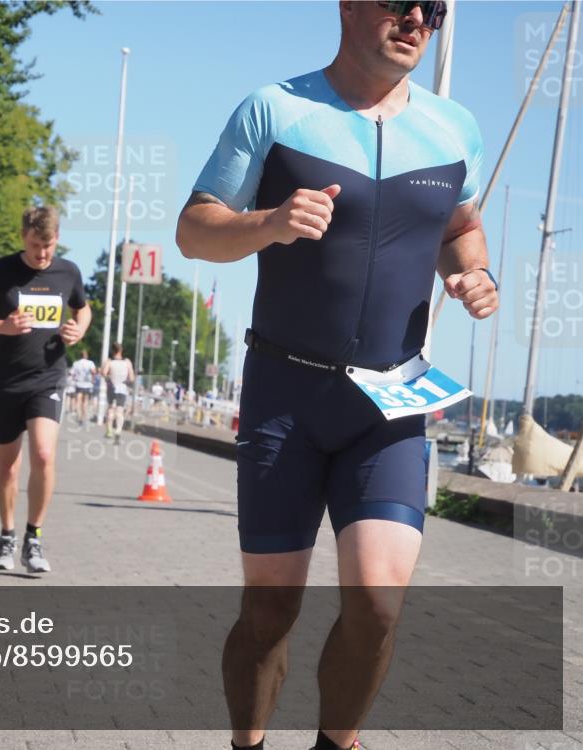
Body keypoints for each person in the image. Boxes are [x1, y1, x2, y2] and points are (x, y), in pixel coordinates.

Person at [175, 3, 498, 750]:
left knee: (378, 603)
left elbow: (460, 228)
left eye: (436, 8)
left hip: (391, 401)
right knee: (270, 612)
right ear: (350, 5)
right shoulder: (275, 109)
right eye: (400, 0)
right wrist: (270, 223)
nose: (418, 18)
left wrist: (474, 274)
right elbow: (194, 230)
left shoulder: (456, 128)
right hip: (287, 393)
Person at [0, 206, 91, 574]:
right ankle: (7, 534)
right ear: (23, 238)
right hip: (5, 380)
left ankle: (33, 537)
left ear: (57, 239)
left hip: (47, 377)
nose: (42, 255)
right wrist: (2, 325)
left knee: (45, 455)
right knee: (8, 467)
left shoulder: (68, 272)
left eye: (48, 247)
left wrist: (78, 329)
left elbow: (84, 310)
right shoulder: (0, 272)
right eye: (35, 246)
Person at [101, 343, 134, 447]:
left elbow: (104, 373)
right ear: (121, 350)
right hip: (122, 388)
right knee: (120, 411)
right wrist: (126, 382)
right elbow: (132, 378)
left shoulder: (109, 361)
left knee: (111, 409)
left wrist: (109, 381)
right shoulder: (127, 362)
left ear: (112, 350)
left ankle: (109, 430)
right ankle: (118, 431)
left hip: (112, 387)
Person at [69, 349, 97, 426]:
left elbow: (71, 373)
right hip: (87, 384)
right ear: (86, 355)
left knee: (78, 400)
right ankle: (83, 417)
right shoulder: (90, 363)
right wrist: (93, 379)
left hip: (78, 384)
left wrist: (74, 378)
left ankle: (79, 417)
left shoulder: (76, 363)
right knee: (85, 402)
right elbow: (94, 372)